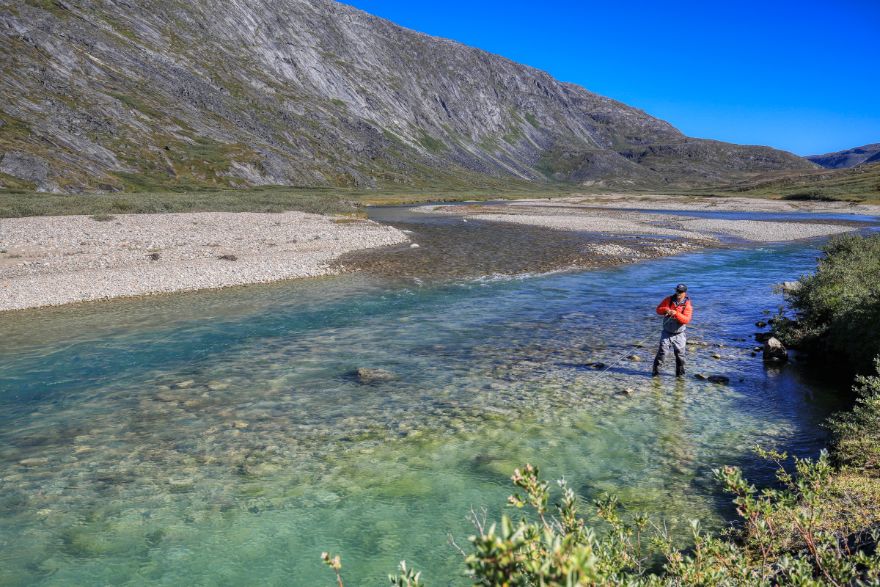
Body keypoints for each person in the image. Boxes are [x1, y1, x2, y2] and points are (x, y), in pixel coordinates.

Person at [652, 283, 693, 377]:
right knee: (662, 353)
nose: (678, 293)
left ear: (684, 293)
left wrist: (676, 313)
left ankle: (680, 377)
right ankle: (655, 374)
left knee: (680, 356)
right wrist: (666, 310)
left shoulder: (687, 305)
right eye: (677, 290)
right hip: (666, 333)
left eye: (680, 291)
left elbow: (686, 320)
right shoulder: (668, 299)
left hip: (679, 334)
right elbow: (658, 310)